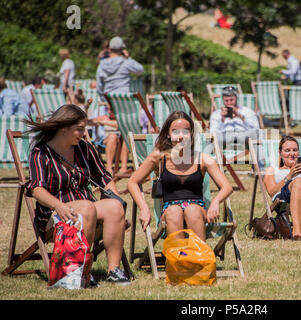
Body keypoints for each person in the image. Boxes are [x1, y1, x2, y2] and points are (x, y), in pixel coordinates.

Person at [24, 104, 130, 285]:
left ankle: (114, 270)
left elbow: (104, 177)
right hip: (54, 215)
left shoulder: (84, 148)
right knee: (88, 207)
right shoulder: (41, 152)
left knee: (114, 206)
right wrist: (58, 205)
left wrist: (114, 196)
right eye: (79, 129)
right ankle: (82, 272)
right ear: (64, 128)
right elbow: (36, 189)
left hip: (86, 209)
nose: (83, 133)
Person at [127, 111, 233, 241]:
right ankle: (179, 258)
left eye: (186, 131)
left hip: (197, 211)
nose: (181, 136)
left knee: (192, 210)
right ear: (168, 134)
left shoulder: (203, 159)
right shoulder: (159, 158)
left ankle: (198, 258)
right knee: (174, 211)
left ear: (191, 134)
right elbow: (132, 182)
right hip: (170, 213)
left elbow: (227, 187)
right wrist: (143, 208)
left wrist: (215, 202)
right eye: (175, 131)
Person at [96, 36, 145, 174]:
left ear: (109, 49)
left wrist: (104, 99)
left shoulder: (102, 64)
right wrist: (128, 58)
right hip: (124, 102)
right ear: (122, 49)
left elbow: (99, 86)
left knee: (115, 133)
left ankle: (109, 167)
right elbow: (140, 69)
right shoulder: (125, 62)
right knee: (126, 130)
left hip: (110, 101)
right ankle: (123, 166)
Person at [209, 86, 263, 166]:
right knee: (206, 137)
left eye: (232, 100)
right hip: (224, 136)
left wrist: (240, 116)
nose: (229, 103)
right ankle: (205, 166)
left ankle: (260, 166)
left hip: (243, 135)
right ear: (223, 100)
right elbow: (212, 131)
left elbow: (256, 127)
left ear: (236, 98)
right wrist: (222, 119)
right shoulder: (217, 114)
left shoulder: (246, 111)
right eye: (226, 101)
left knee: (259, 133)